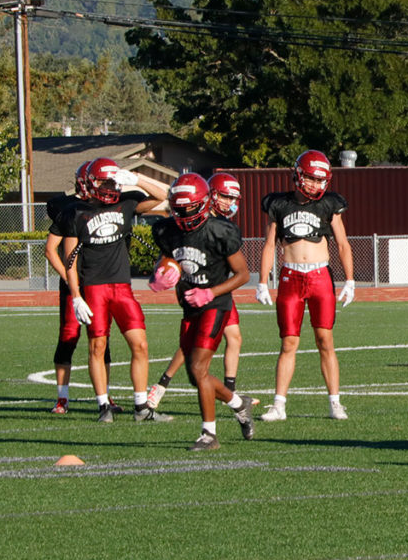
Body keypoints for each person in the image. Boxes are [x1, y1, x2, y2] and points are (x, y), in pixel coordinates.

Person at [150, 173, 255, 450]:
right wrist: (158, 278)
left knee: (198, 368)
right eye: (179, 210)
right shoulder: (167, 230)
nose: (184, 215)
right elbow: (167, 261)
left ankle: (209, 434)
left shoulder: (219, 230)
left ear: (205, 203)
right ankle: (238, 402)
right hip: (189, 306)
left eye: (190, 209)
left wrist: (211, 292)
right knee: (196, 376)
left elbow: (243, 274)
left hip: (214, 304)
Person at [59, 158, 168, 423]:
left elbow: (166, 196)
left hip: (122, 287)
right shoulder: (75, 212)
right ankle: (103, 406)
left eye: (112, 181)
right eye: (104, 181)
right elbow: (70, 260)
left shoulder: (126, 203)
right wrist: (75, 296)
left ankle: (142, 407)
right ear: (89, 183)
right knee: (97, 346)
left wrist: (137, 178)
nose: (109, 186)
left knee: (140, 344)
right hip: (94, 288)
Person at [255, 149, 355, 422]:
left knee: (325, 340)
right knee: (288, 342)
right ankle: (279, 404)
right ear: (298, 175)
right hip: (291, 276)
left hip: (320, 276)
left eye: (320, 180)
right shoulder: (278, 204)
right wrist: (262, 282)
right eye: (310, 178)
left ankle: (335, 402)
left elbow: (343, 244)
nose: (315, 185)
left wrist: (350, 280)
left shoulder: (329, 204)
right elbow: (268, 245)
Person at [44, 162, 112, 414]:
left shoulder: (108, 206)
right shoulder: (67, 208)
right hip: (76, 284)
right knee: (69, 336)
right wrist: (69, 280)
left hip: (99, 281)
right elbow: (51, 250)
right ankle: (62, 397)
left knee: (102, 340)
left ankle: (106, 395)